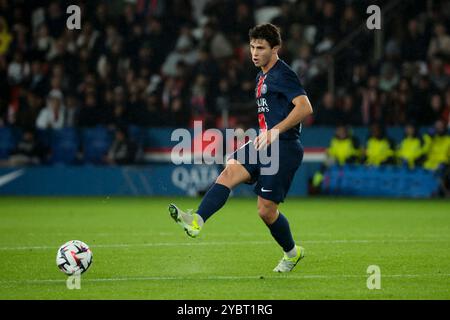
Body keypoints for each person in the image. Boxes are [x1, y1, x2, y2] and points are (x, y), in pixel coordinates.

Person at [168, 24, 314, 273]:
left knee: (266, 211)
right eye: (252, 47)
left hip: (284, 147)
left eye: (261, 48)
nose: (255, 52)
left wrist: (275, 131)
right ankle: (196, 220)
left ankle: (292, 253)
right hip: (262, 142)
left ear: (275, 49)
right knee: (229, 171)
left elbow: (305, 108)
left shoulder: (283, 74)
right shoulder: (261, 76)